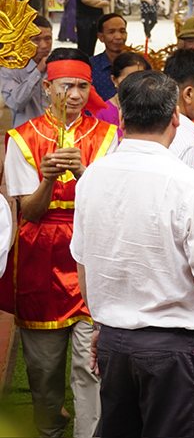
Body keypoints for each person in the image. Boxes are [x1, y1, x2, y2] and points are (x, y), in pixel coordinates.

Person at [71, 70, 194, 437]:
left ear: (123, 118)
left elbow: (82, 263)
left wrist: (104, 321)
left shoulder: (93, 176)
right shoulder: (187, 182)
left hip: (114, 337)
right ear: (175, 116)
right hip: (169, 345)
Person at [1, 47, 117, 438]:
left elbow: (110, 206)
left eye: (83, 86)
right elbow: (28, 213)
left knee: (91, 366)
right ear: (47, 86)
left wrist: (84, 174)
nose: (76, 94)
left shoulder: (107, 137)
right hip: (41, 255)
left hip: (90, 255)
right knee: (44, 369)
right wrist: (49, 179)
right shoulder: (22, 138)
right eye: (66, 85)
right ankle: (49, 428)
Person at [1, 16, 53, 127]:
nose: (44, 45)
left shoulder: (59, 67)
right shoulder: (10, 70)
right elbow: (16, 104)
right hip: (26, 138)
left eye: (48, 38)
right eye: (36, 40)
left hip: (55, 136)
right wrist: (38, 71)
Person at [93, 52, 151, 137]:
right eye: (129, 78)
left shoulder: (153, 109)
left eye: (141, 78)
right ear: (114, 80)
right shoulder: (101, 113)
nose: (136, 83)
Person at [89, 13, 129, 101]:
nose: (118, 37)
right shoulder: (90, 67)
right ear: (101, 37)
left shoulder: (138, 65)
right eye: (111, 32)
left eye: (122, 31)